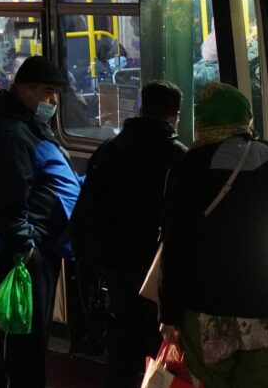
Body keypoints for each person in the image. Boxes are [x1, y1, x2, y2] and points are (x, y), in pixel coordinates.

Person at [159, 83, 268, 388]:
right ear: (244, 118)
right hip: (261, 304)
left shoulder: (187, 165)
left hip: (205, 308)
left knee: (209, 382)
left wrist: (169, 312)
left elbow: (176, 244)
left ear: (202, 121)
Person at [70, 80, 187, 388]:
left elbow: (87, 210)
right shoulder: (178, 158)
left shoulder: (109, 150)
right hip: (158, 271)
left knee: (121, 349)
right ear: (174, 116)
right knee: (160, 351)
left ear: (141, 108)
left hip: (117, 268)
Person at [0, 55, 82, 388]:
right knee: (26, 338)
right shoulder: (10, 132)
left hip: (36, 244)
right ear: (24, 91)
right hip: (25, 250)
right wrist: (25, 246)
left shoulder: (25, 124)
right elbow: (7, 196)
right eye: (48, 91)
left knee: (26, 333)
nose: (54, 100)